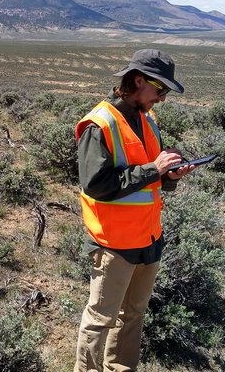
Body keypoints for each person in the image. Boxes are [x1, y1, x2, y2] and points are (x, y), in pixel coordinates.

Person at [73, 49, 195, 372]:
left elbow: (150, 179)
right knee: (100, 319)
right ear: (138, 81)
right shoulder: (99, 124)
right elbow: (96, 185)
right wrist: (153, 170)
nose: (163, 99)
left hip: (148, 239)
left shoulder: (147, 120)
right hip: (114, 244)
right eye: (161, 90)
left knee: (134, 315)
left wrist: (169, 176)